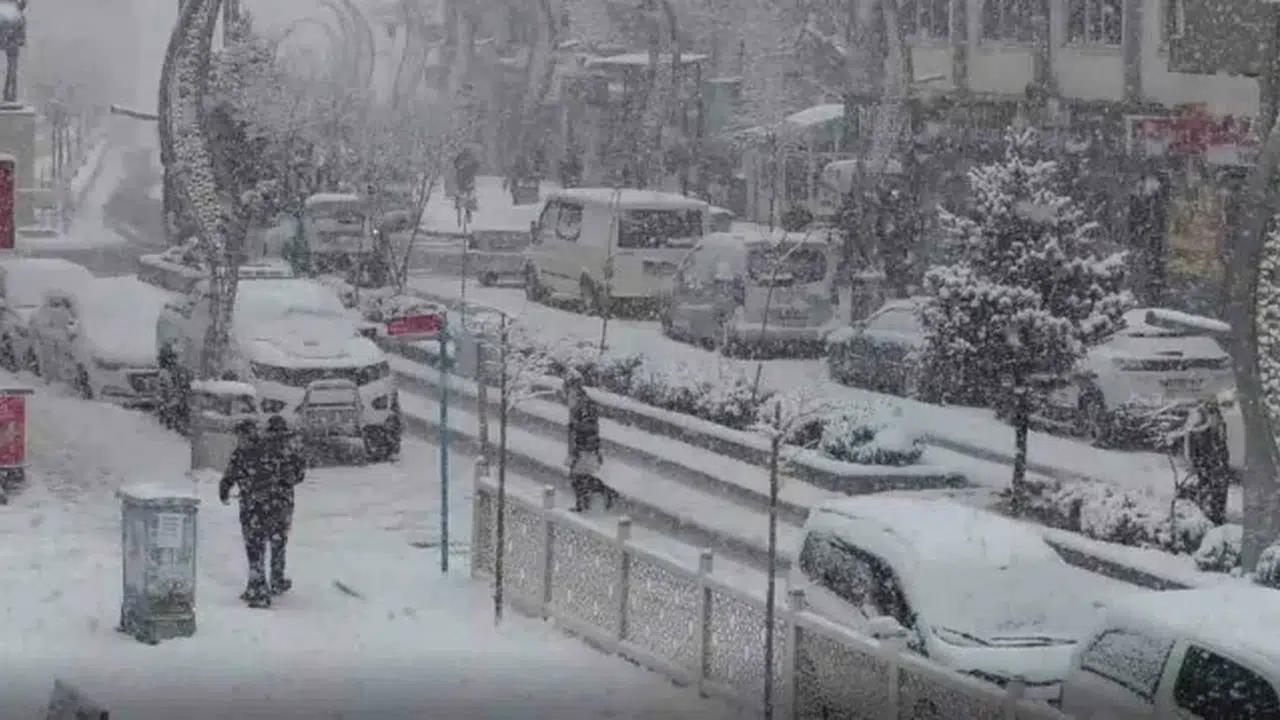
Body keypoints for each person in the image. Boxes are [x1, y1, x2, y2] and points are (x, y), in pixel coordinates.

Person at [220, 419, 272, 607]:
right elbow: (230, 474)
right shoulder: (244, 453)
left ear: (249, 435)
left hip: (262, 505)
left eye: (241, 436)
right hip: (251, 504)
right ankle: (254, 585)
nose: (239, 440)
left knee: (257, 546)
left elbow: (273, 477)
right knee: (252, 547)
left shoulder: (262, 453)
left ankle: (261, 591)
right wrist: (224, 489)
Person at [259, 415, 307, 595]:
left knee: (259, 540)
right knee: (278, 541)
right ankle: (277, 578)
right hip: (283, 500)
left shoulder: (261, 447)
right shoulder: (290, 449)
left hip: (261, 499)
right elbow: (300, 474)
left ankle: (258, 579)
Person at [565, 371, 615, 512]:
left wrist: (576, 431)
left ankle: (597, 497)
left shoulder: (584, 403)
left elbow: (590, 426)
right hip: (580, 445)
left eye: (570, 385)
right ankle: (587, 502)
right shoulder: (576, 400)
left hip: (585, 446)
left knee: (577, 477)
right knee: (579, 477)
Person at [1186, 399, 1231, 525]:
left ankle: (1218, 517)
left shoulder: (1218, 417)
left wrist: (1223, 459)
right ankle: (1209, 519)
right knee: (1208, 490)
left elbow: (1222, 441)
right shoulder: (1199, 415)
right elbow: (1193, 441)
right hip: (1207, 463)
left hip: (1218, 463)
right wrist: (1196, 461)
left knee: (1219, 491)